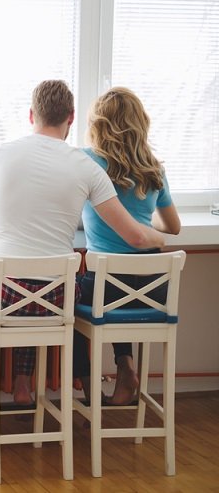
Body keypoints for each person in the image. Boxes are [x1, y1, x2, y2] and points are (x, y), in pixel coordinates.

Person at [0, 79, 166, 409]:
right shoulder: (86, 167)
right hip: (58, 299)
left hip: (4, 295)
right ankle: (22, 387)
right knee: (38, 291)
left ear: (31, 115)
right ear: (71, 117)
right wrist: (160, 237)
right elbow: (136, 236)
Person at [74, 87, 181, 406]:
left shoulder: (88, 160)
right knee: (115, 293)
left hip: (108, 285)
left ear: (98, 124)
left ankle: (92, 394)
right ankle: (125, 368)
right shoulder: (154, 167)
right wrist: (142, 223)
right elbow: (173, 226)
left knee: (69, 302)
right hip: (153, 287)